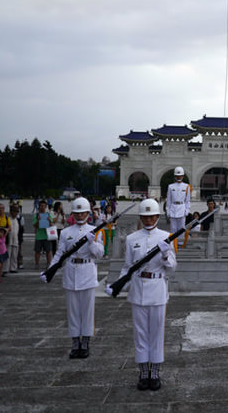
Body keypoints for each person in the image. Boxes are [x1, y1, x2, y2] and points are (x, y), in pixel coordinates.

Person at [111, 198, 176, 391]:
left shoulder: (167, 236)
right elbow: (127, 267)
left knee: (156, 333)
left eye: (152, 216)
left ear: (157, 216)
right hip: (138, 289)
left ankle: (155, 371)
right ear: (141, 217)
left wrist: (165, 255)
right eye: (145, 217)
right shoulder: (132, 239)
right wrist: (117, 286)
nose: (148, 220)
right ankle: (143, 371)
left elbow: (172, 267)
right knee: (140, 333)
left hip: (157, 288)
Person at [43, 197, 103, 359]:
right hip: (70, 272)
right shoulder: (67, 232)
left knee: (87, 311)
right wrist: (49, 270)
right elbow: (59, 254)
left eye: (82, 213)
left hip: (87, 272)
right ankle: (75, 342)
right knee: (73, 311)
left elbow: (99, 254)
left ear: (87, 213)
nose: (79, 216)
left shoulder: (95, 230)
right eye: (77, 213)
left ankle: (86, 342)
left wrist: (91, 243)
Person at [166, 166, 192, 233]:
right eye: (177, 175)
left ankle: (181, 242)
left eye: (180, 175)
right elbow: (169, 200)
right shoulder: (170, 186)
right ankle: (173, 242)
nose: (179, 177)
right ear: (175, 176)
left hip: (182, 208)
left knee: (181, 228)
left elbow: (187, 200)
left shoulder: (187, 186)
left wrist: (187, 210)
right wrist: (168, 210)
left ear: (182, 176)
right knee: (173, 228)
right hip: (173, 208)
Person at [33, 200, 54, 270]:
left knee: (49, 251)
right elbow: (35, 226)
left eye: (44, 206)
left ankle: (48, 263)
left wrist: (49, 221)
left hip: (47, 235)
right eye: (41, 206)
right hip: (39, 236)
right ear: (39, 206)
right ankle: (37, 264)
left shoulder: (48, 215)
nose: (42, 207)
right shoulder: (36, 215)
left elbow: (52, 225)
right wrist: (38, 220)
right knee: (37, 251)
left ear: (46, 207)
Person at [6, 204, 23, 273]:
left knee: (14, 255)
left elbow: (21, 230)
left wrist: (20, 239)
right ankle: (5, 269)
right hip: (9, 239)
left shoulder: (18, 220)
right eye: (13, 211)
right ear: (10, 212)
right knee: (8, 254)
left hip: (16, 239)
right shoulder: (7, 219)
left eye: (16, 212)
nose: (15, 213)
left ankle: (13, 268)